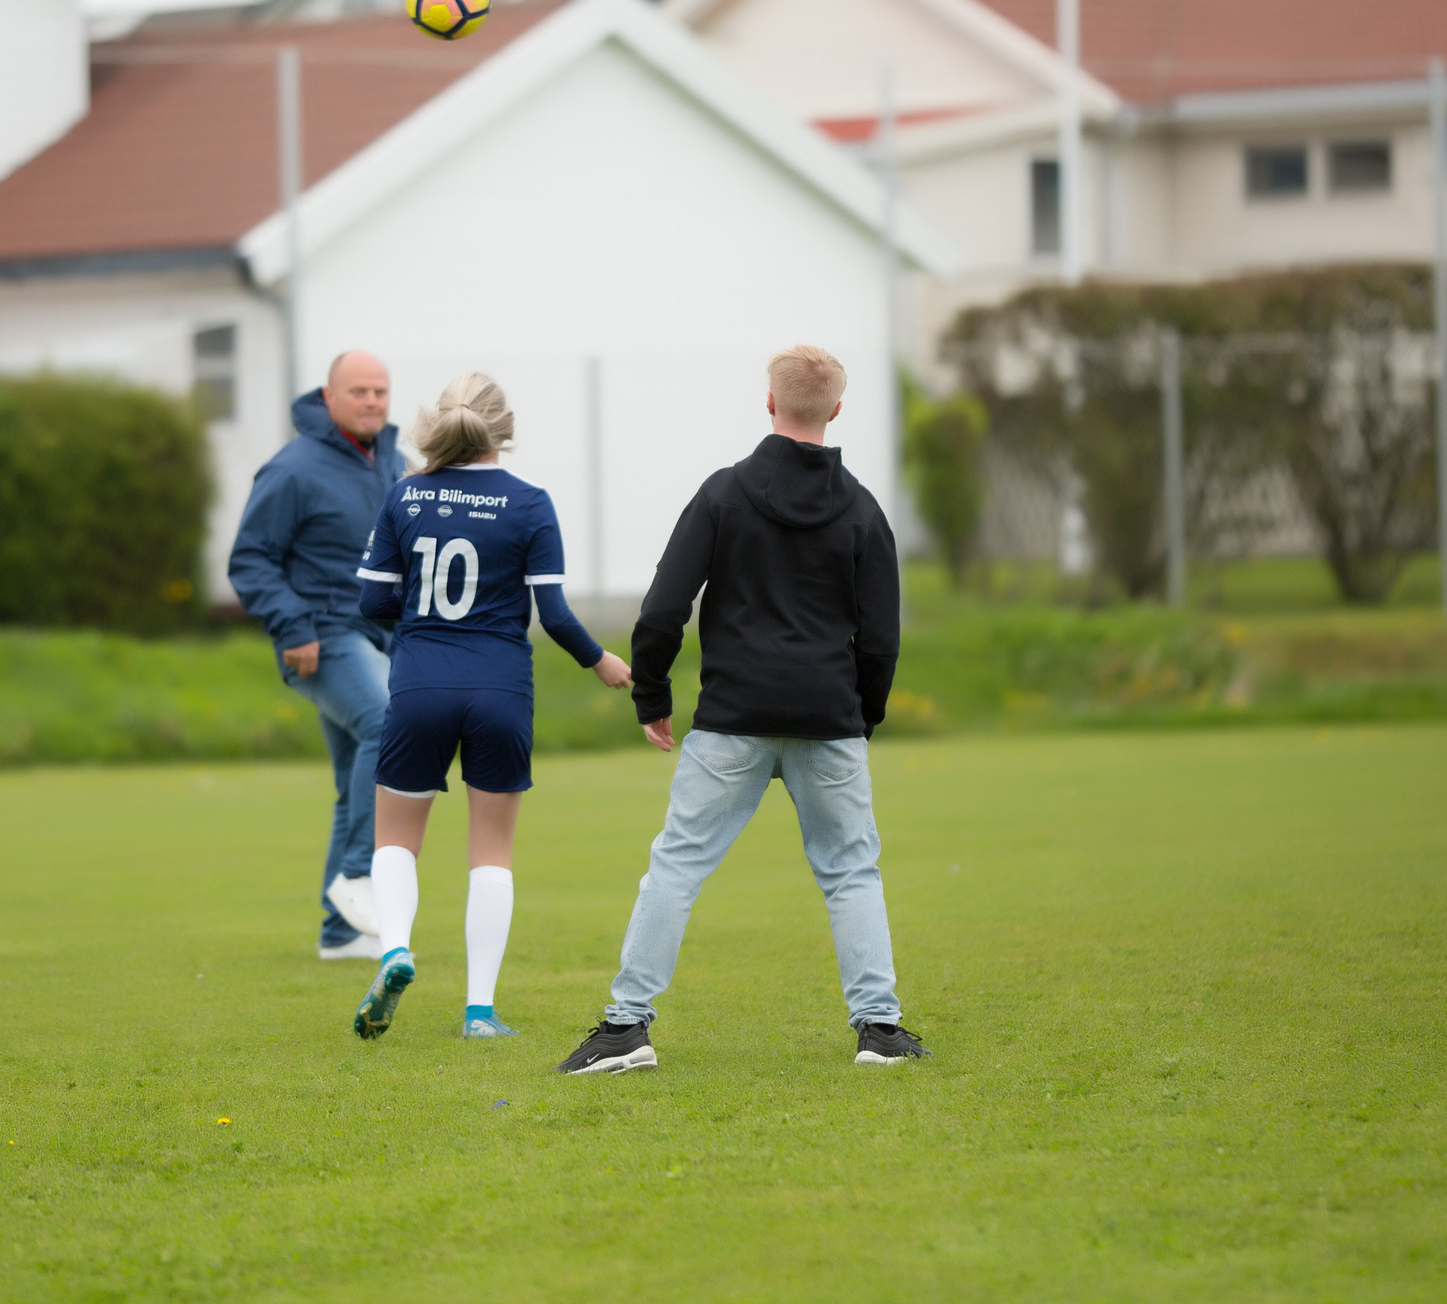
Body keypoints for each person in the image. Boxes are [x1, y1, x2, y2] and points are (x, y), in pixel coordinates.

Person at [557, 344, 930, 1073]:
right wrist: (865, 713)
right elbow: (880, 635)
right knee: (852, 871)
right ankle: (879, 1030)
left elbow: (665, 606)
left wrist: (652, 693)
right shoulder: (860, 507)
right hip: (828, 717)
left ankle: (625, 1027)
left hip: (732, 717)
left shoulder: (724, 493)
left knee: (675, 868)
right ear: (837, 409)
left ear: (770, 402)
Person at [348, 373, 632, 1041]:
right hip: (501, 688)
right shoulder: (530, 502)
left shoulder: (405, 494)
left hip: (419, 683)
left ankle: (394, 949)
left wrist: (419, 621)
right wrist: (602, 660)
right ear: (503, 428)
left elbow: (370, 603)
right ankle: (479, 1012)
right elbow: (555, 615)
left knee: (395, 839)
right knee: (492, 851)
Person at [226, 350, 406, 960]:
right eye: (359, 391)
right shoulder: (293, 468)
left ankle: (339, 932)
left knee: (352, 779)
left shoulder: (393, 462)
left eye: (381, 391)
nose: (373, 402)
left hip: (376, 636)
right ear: (327, 398)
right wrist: (292, 624)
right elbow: (250, 558)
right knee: (388, 722)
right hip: (320, 638)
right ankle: (358, 877)